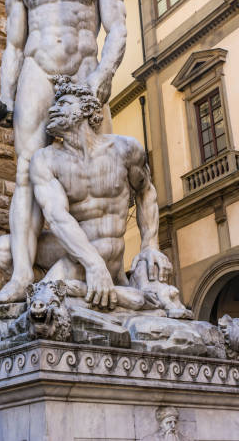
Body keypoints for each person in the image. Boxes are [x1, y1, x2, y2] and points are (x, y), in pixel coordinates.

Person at [0, 0, 127, 306]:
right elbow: (13, 47)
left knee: (100, 169)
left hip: (85, 77)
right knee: (28, 171)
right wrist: (7, 96)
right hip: (38, 74)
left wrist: (102, 77)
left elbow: (117, 31)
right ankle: (20, 276)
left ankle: (103, 265)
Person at [25, 76, 172, 309]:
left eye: (63, 104)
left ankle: (114, 290)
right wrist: (93, 265)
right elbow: (56, 216)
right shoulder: (45, 159)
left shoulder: (125, 149)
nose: (53, 109)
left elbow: (146, 192)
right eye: (54, 104)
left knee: (46, 303)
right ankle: (126, 296)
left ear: (86, 109)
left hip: (107, 248)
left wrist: (150, 245)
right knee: (4, 250)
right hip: (78, 250)